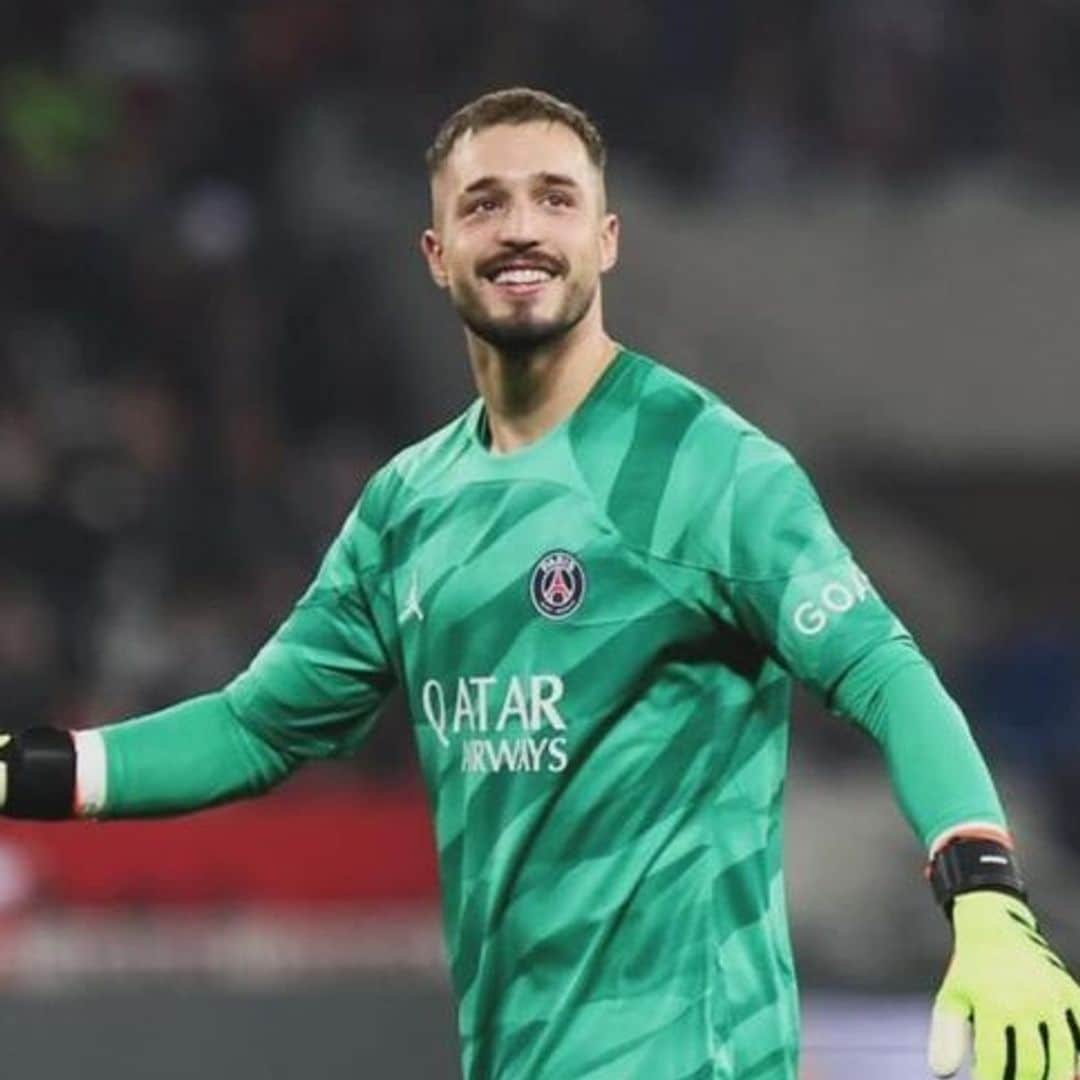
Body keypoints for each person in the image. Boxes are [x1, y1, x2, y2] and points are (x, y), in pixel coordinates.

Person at [0, 86, 1077, 1080]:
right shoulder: (408, 505)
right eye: (484, 203)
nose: (520, 227)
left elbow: (885, 673)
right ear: (435, 251)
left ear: (604, 240)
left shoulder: (706, 466)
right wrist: (30, 772)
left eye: (555, 198)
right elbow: (255, 727)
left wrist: (985, 900)